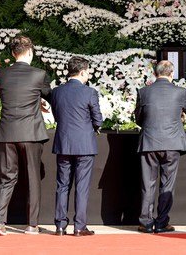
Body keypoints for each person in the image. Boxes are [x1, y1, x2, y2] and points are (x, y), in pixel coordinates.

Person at [0, 35, 51, 236]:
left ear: (12, 53)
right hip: (31, 133)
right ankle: (32, 225)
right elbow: (48, 95)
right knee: (33, 178)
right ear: (31, 52)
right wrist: (39, 103)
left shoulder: (2, 74)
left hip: (7, 132)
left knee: (6, 178)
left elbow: (8, 96)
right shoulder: (39, 74)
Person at [135, 60, 186, 234]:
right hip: (172, 143)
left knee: (148, 184)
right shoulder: (180, 92)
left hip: (149, 143)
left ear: (155, 73)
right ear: (172, 74)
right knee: (167, 185)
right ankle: (162, 222)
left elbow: (138, 118)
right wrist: (180, 113)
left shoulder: (144, 92)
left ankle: (146, 223)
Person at [50, 56, 103, 237]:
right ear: (82, 72)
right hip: (84, 145)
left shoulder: (56, 92)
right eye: (88, 72)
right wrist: (95, 126)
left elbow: (56, 115)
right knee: (82, 186)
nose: (88, 75)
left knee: (62, 185)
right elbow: (98, 119)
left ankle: (59, 225)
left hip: (64, 142)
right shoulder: (89, 92)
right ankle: (79, 226)